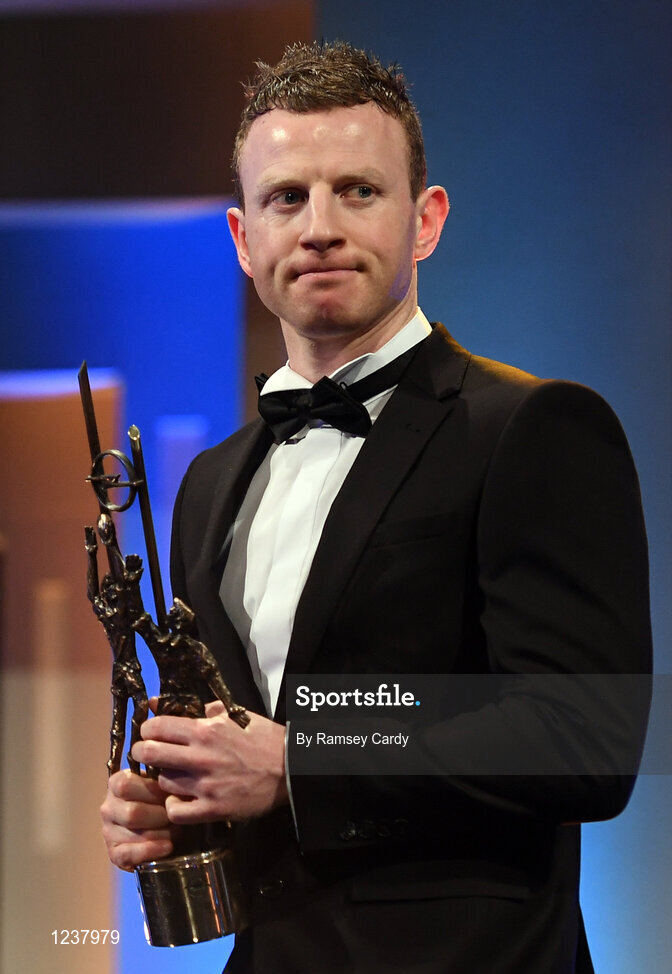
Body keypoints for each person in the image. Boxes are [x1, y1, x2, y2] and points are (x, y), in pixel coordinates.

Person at [100, 41, 652, 973]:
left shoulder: (534, 427)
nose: (318, 226)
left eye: (357, 190)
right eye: (286, 198)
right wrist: (181, 807)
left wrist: (301, 758)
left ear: (425, 220)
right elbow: (253, 751)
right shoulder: (210, 482)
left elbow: (583, 732)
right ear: (243, 237)